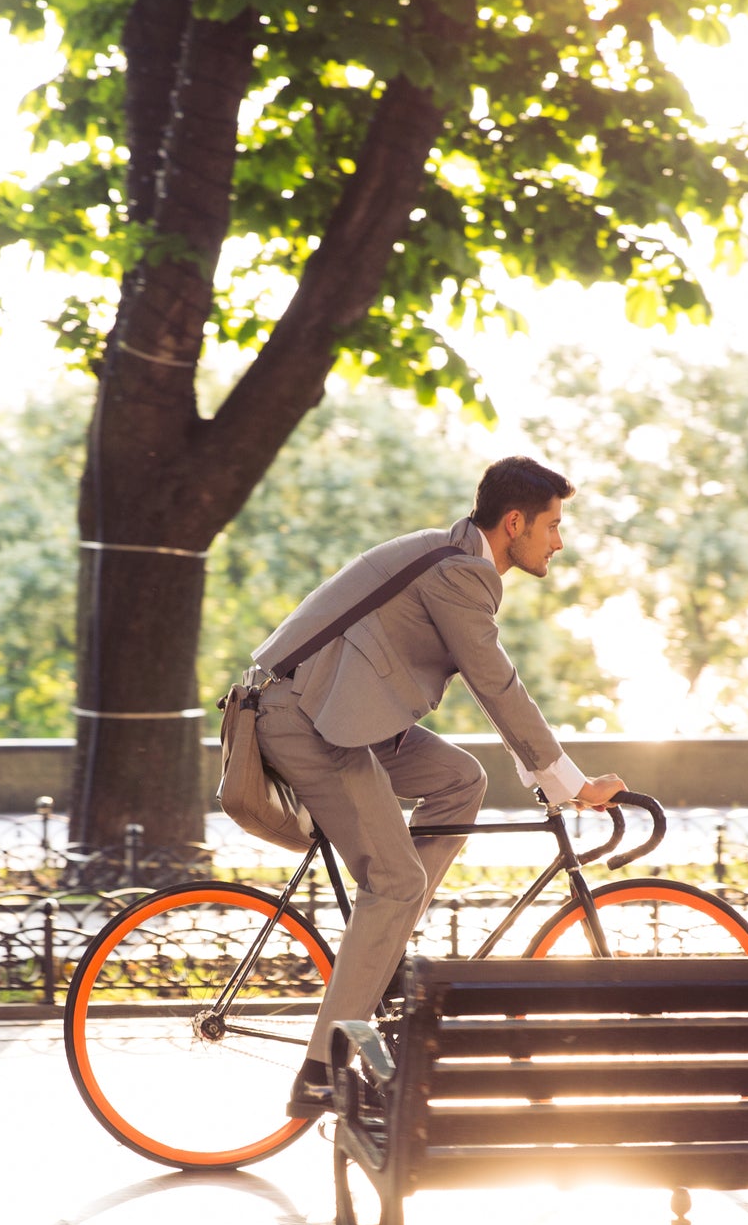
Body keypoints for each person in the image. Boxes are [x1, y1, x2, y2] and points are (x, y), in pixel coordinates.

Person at [250, 455, 627, 1117]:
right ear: (514, 523)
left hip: (341, 714)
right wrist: (568, 781)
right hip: (307, 719)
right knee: (396, 882)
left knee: (459, 779)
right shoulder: (461, 572)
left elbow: (491, 692)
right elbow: (496, 682)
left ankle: (385, 951)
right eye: (553, 525)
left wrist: (540, 773)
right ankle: (321, 1071)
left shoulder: (452, 556)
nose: (559, 541)